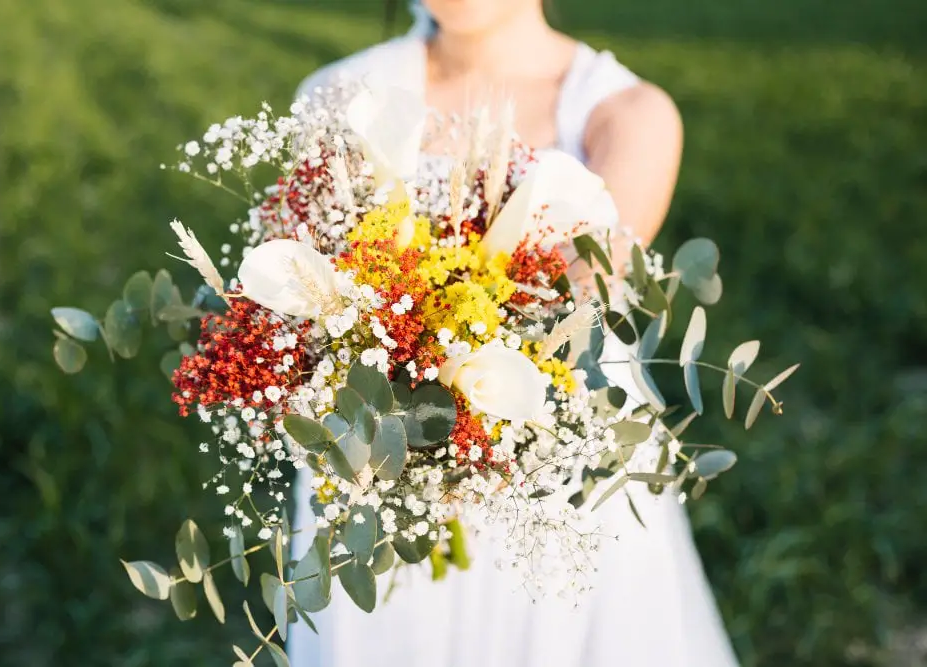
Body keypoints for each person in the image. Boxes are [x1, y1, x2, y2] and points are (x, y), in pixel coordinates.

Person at [288, 1, 740, 665]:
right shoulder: (338, 94)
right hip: (378, 463)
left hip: (557, 477)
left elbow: (565, 310)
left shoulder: (627, 115)